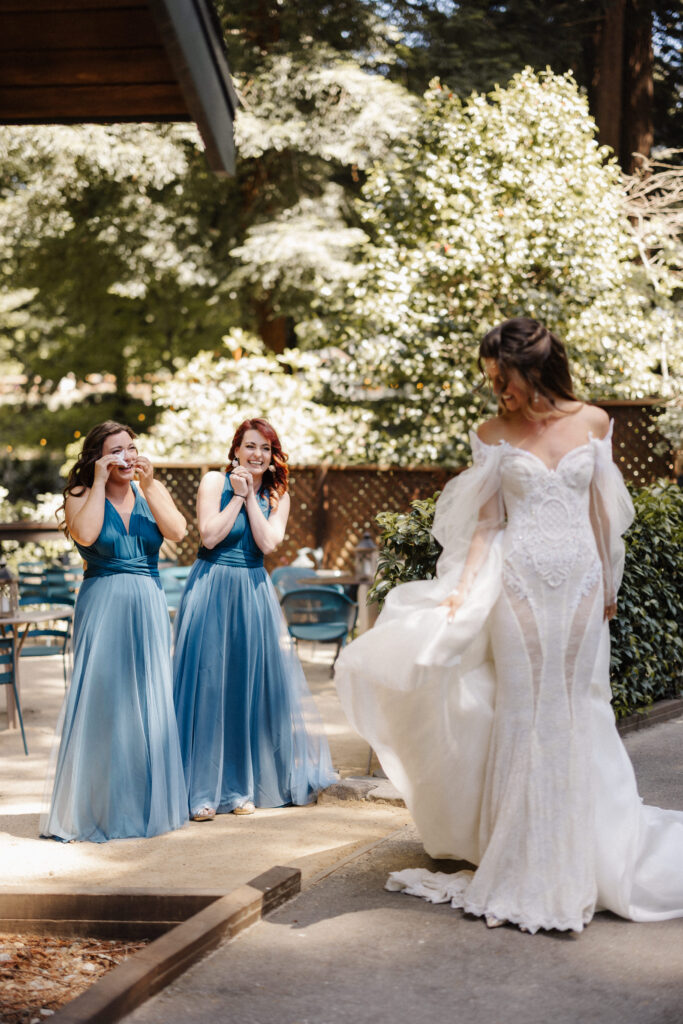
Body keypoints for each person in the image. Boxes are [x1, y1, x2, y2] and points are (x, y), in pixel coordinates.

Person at [335, 318, 683, 934]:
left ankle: (590, 852)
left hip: (578, 584)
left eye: (503, 374)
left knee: (575, 708)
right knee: (523, 709)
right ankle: (520, 853)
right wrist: (464, 591)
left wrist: (608, 582)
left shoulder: (594, 421)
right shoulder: (490, 433)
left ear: (533, 368)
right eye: (491, 375)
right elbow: (490, 524)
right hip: (516, 586)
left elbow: (604, 512)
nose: (496, 385)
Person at [172, 417, 336, 821]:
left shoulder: (279, 495)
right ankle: (200, 792)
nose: (257, 454)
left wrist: (251, 499)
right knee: (209, 685)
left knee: (248, 687)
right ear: (236, 450)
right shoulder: (214, 482)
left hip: (252, 593)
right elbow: (209, 536)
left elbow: (268, 542)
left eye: (265, 448)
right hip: (211, 587)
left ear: (272, 454)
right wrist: (235, 496)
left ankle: (241, 787)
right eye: (250, 446)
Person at [41, 421, 189, 842]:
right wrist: (100, 481)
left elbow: (178, 532)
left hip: (147, 603)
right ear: (98, 457)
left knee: (147, 703)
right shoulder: (79, 495)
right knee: (103, 703)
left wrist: (150, 485)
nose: (126, 457)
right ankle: (96, 808)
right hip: (102, 605)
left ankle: (143, 804)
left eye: (130, 448)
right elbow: (86, 533)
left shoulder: (149, 490)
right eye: (116, 451)